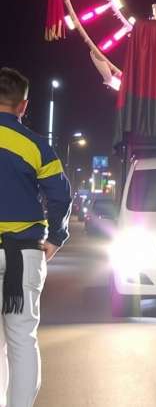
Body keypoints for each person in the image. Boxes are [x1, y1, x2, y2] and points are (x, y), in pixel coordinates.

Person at [0, 67, 71, 407]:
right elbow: (60, 196)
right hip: (25, 254)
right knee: (22, 340)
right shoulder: (37, 147)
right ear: (23, 106)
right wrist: (55, 237)